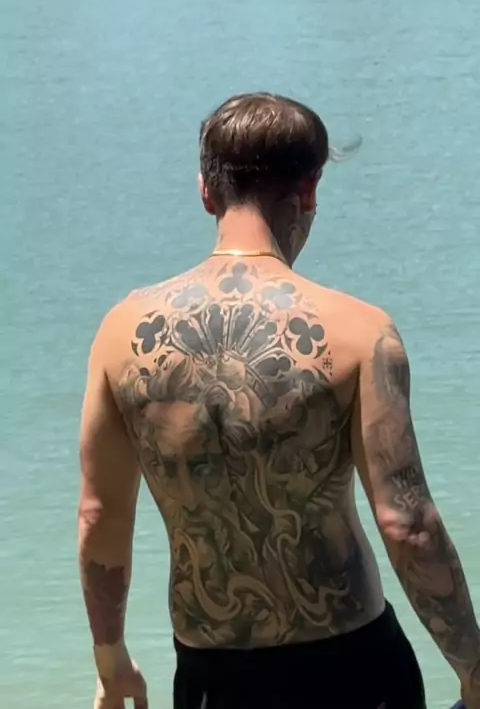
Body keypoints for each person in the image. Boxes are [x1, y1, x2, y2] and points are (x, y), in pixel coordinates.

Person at [78, 92, 480, 709]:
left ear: (206, 192)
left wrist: (112, 663)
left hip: (211, 672)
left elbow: (100, 517)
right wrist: (473, 669)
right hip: (351, 665)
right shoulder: (360, 333)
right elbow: (408, 525)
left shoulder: (122, 334)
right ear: (310, 190)